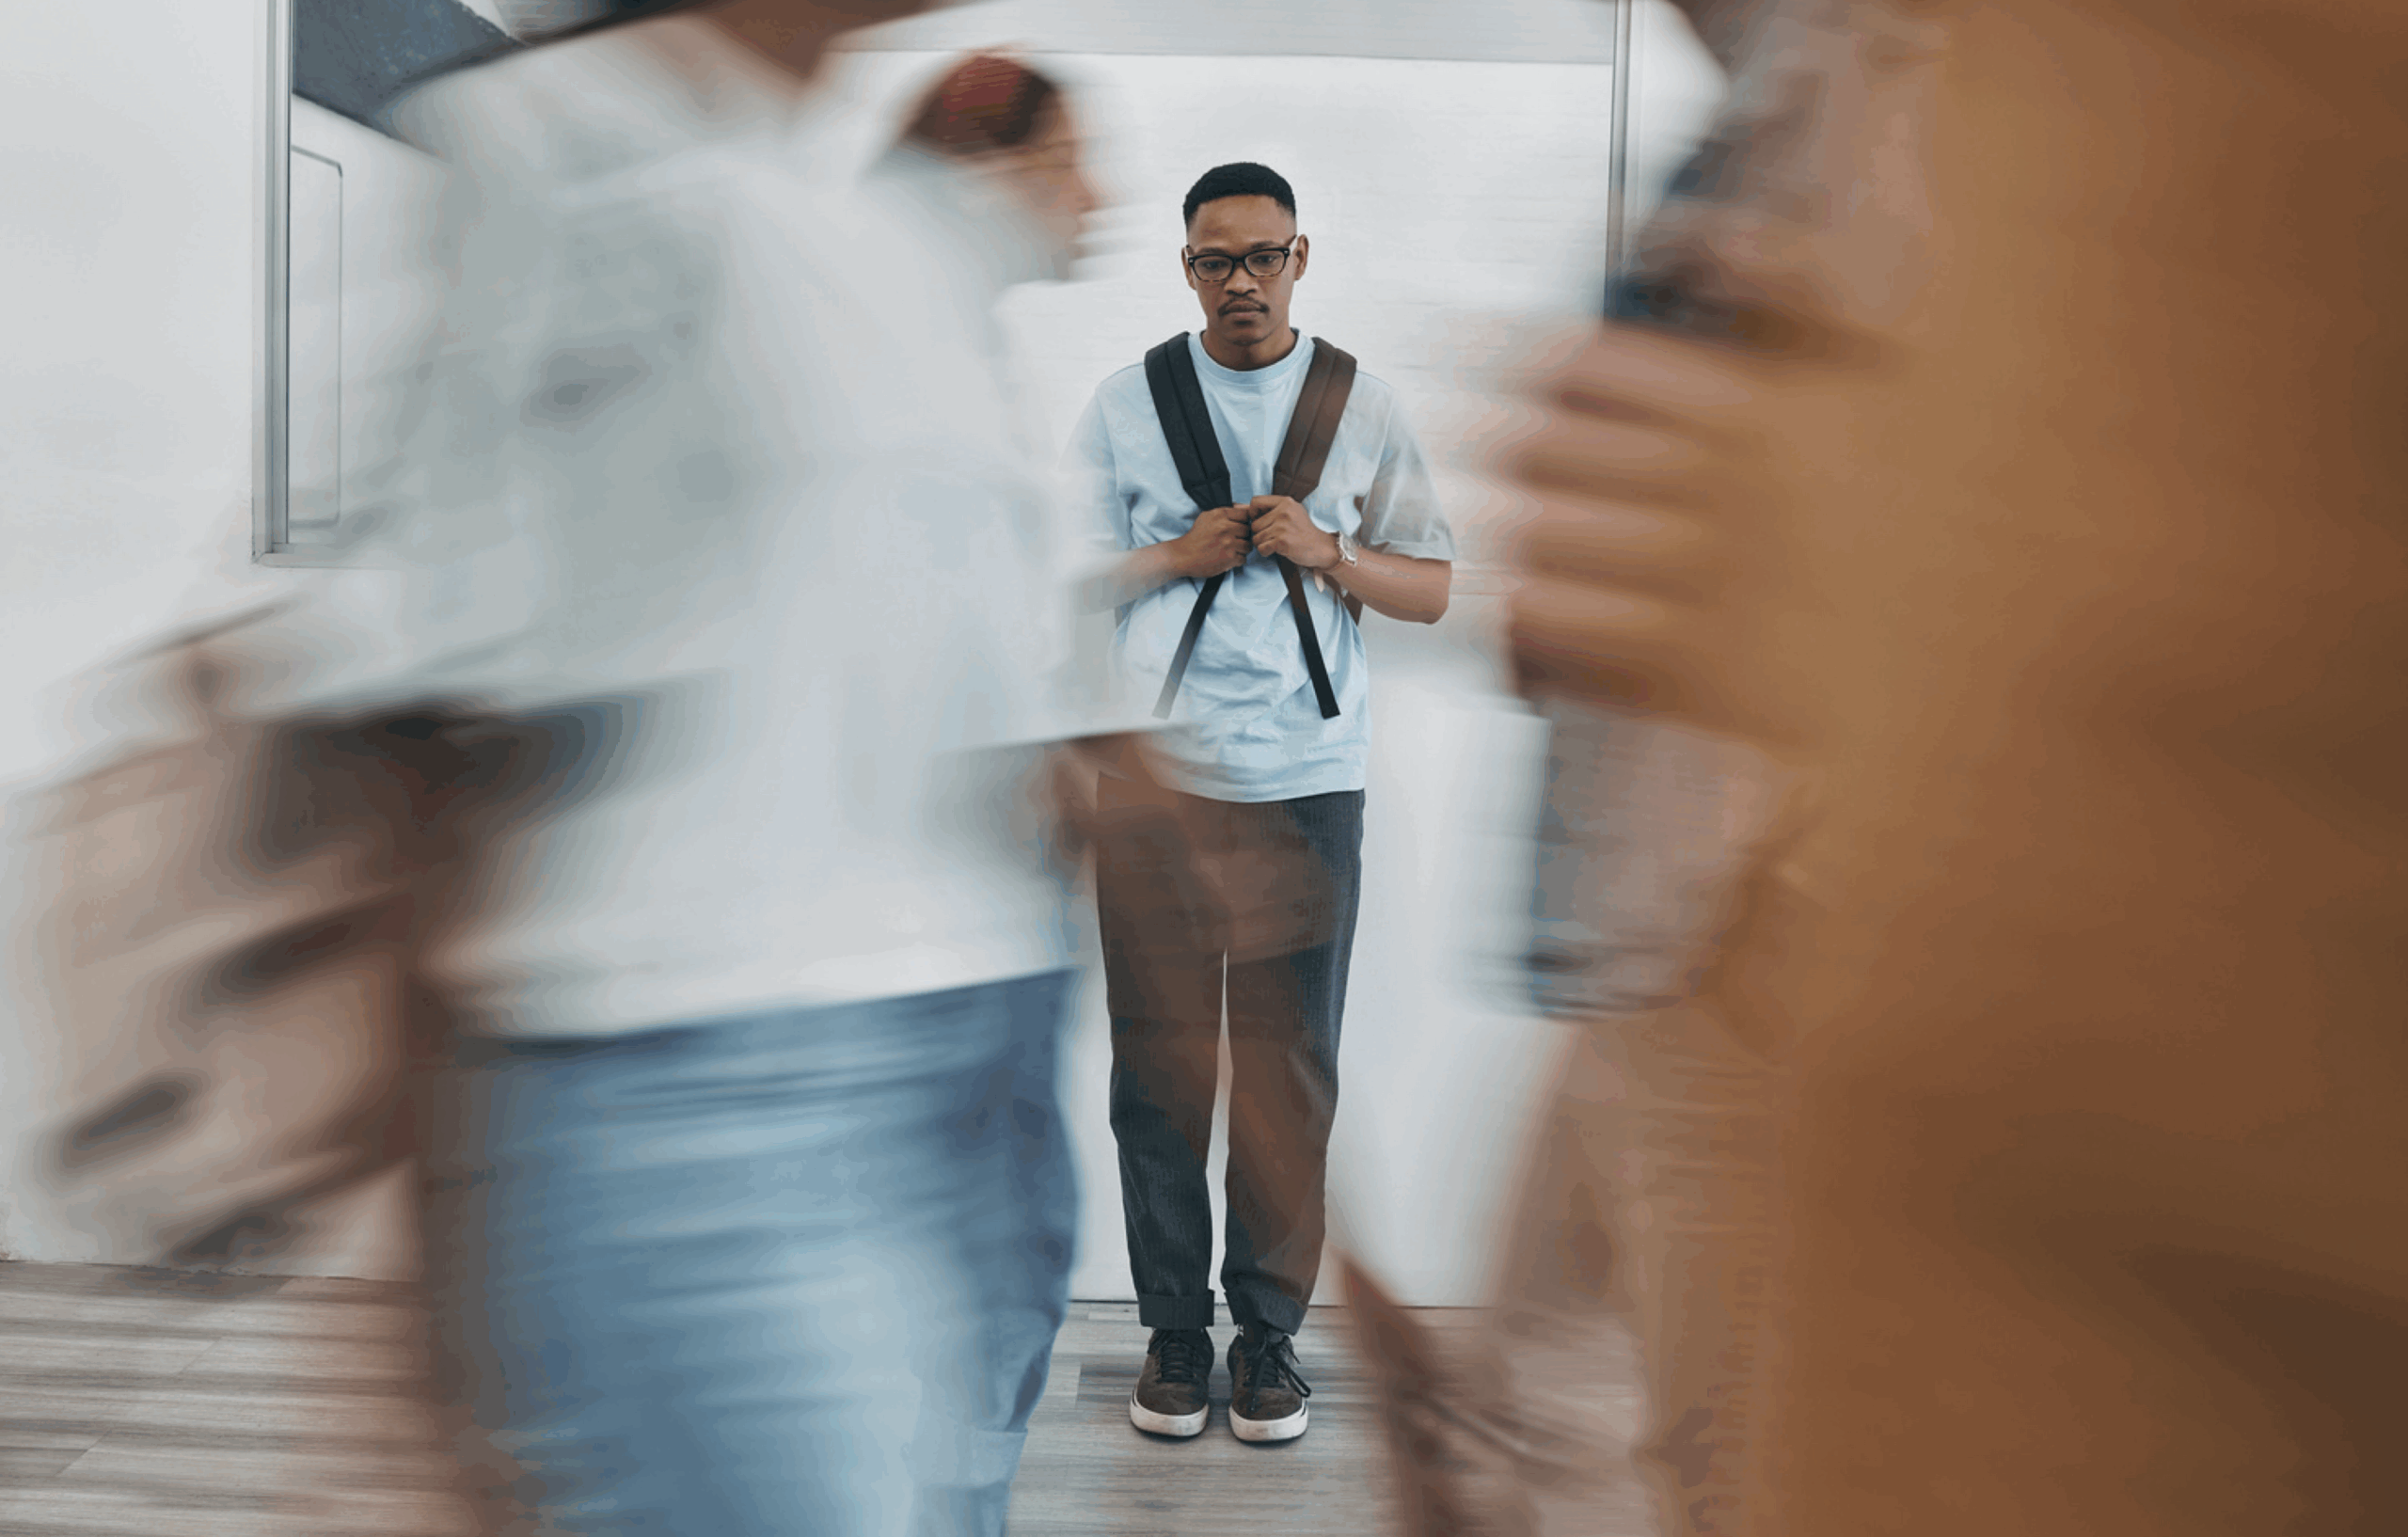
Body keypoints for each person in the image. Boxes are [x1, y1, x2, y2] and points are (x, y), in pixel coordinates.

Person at [34, 2, 1151, 1532]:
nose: (1102, 205)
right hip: (701, 1072)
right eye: (1080, 171)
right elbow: (443, 653)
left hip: (950, 1040)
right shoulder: (569, 138)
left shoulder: (850, 217)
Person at [1432, 0, 2408, 1532]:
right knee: (1528, 1430)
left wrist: (1888, 588)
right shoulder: (1832, 74)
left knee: (1689, 1448)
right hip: (1659, 931)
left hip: (1827, 948)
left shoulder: (2139, 109)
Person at [1068, 161, 1456, 1445]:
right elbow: (1059, 584)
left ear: (1303, 257)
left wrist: (1330, 554)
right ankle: (1176, 1333)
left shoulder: (1363, 403)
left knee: (1290, 1076)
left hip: (1307, 784)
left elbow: (1433, 587)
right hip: (1156, 783)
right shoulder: (1126, 404)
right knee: (1160, 1068)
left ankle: (1270, 1343)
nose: (1240, 280)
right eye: (1213, 260)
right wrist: (1172, 555)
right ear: (1184, 268)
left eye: (1263, 256)